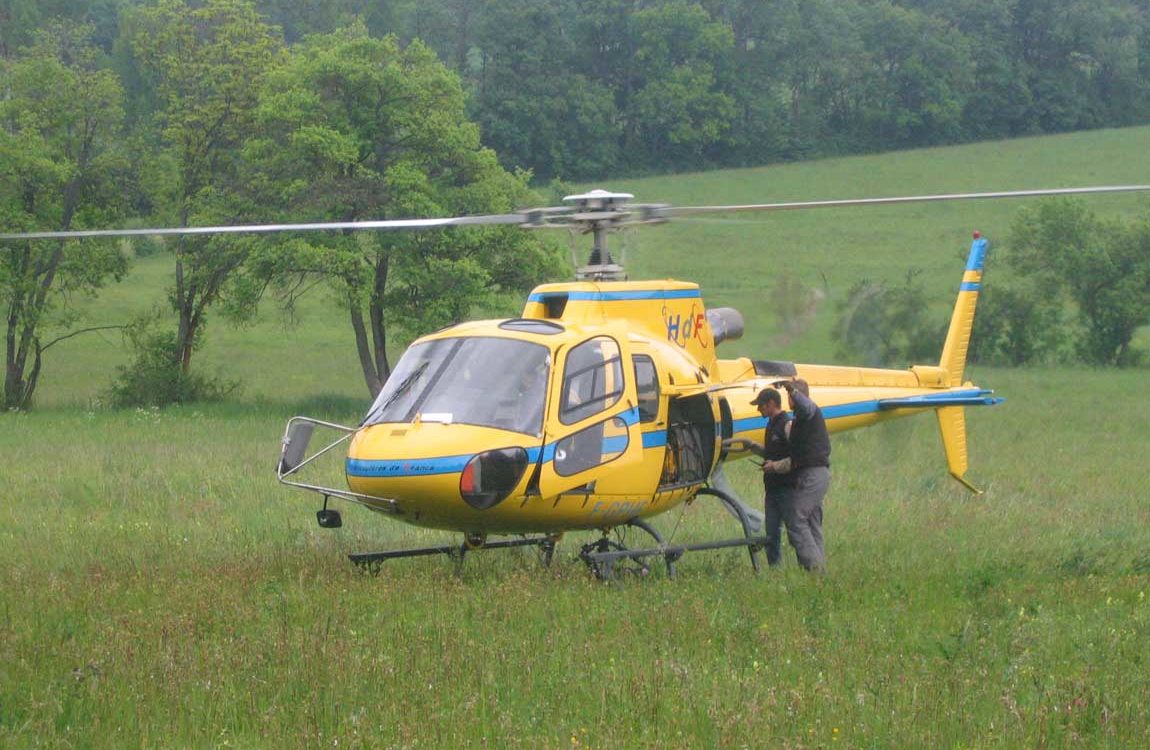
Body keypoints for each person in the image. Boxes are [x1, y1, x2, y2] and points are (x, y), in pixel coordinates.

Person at [768, 378, 831, 572]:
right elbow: (794, 460)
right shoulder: (800, 422)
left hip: (812, 475)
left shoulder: (808, 413)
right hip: (813, 475)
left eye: (790, 395)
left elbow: (805, 406)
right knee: (811, 522)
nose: (788, 399)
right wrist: (773, 465)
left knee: (796, 518)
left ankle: (814, 569)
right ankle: (819, 569)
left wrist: (790, 387)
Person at [724, 388, 792, 566]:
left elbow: (798, 458)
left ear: (770, 404)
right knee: (771, 533)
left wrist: (775, 467)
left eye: (760, 405)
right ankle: (775, 568)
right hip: (772, 488)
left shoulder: (787, 424)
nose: (758, 409)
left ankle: (808, 565)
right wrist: (752, 446)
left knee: (796, 531)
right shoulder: (770, 425)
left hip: (787, 488)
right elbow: (771, 453)